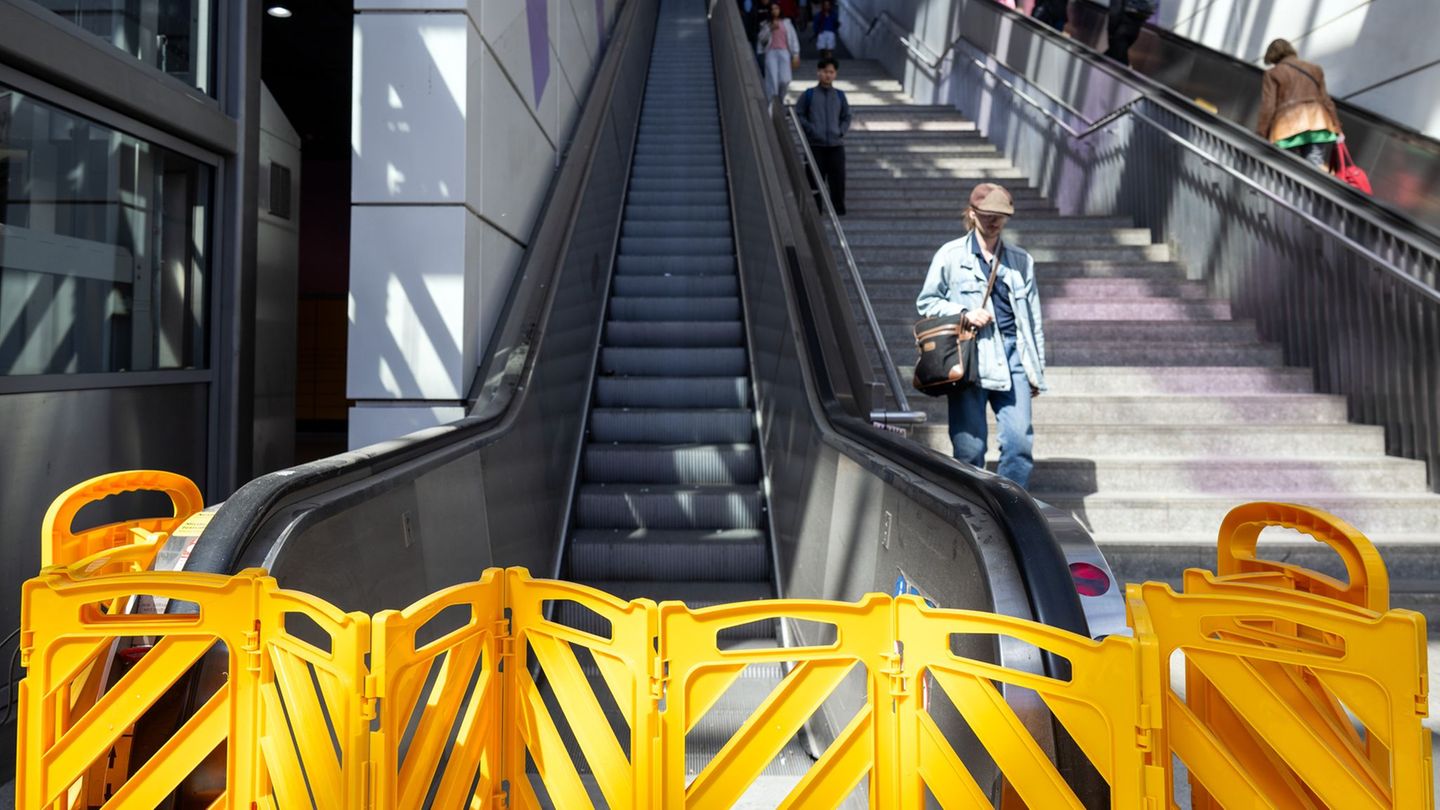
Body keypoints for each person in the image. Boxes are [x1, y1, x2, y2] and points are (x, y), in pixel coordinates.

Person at [916, 184, 1047, 488]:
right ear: (972, 214)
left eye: (1001, 216)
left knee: (1019, 446)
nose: (994, 221)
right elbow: (927, 302)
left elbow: (1033, 318)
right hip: (970, 356)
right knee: (969, 450)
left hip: (1014, 356)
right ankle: (974, 514)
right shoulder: (950, 255)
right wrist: (965, 312)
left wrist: (1036, 369)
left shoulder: (1021, 260)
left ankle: (1011, 513)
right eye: (988, 215)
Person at [1257, 38, 1343, 169]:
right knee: (1314, 167)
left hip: (1287, 127)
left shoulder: (1272, 74)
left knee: (1287, 168)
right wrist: (1337, 127)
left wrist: (1261, 134)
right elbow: (1326, 101)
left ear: (1273, 58)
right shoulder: (1315, 69)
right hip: (1318, 124)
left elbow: (1268, 107)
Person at [795, 58, 852, 215]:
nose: (828, 75)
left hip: (836, 145)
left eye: (831, 72)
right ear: (819, 72)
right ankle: (815, 212)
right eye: (825, 71)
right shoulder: (809, 94)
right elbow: (798, 114)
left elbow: (847, 116)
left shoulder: (840, 95)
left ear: (835, 74)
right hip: (815, 146)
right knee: (813, 180)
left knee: (838, 180)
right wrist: (811, 130)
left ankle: (838, 210)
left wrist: (840, 131)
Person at [758, 3, 800, 103]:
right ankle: (772, 102)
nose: (774, 11)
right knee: (772, 79)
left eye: (776, 8)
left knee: (785, 79)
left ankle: (780, 99)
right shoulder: (765, 24)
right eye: (772, 9)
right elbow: (761, 39)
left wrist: (795, 54)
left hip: (784, 52)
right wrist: (770, 29)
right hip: (771, 52)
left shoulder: (786, 23)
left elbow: (793, 39)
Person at [1105, 0, 1155, 67]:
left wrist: (1111, 33)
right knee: (1111, 58)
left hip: (1120, 31)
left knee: (1119, 64)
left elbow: (1115, 12)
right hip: (1134, 30)